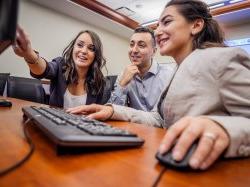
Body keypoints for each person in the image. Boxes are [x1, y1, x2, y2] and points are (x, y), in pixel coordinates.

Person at [67, 0, 250, 170]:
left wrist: (223, 129)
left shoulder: (223, 58)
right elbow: (159, 119)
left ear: (196, 25)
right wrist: (113, 110)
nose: (157, 31)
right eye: (158, 24)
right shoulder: (178, 71)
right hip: (174, 164)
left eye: (167, 22)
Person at [13, 27, 107, 108]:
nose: (84, 51)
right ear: (73, 48)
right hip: (53, 126)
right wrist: (29, 54)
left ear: (96, 55)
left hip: (81, 128)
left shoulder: (99, 83)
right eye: (80, 45)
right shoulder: (60, 65)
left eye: (91, 48)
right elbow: (44, 69)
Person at [109, 27, 174, 111]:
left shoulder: (168, 75)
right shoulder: (123, 75)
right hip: (134, 123)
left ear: (153, 52)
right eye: (132, 45)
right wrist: (122, 85)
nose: (134, 50)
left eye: (141, 45)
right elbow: (113, 110)